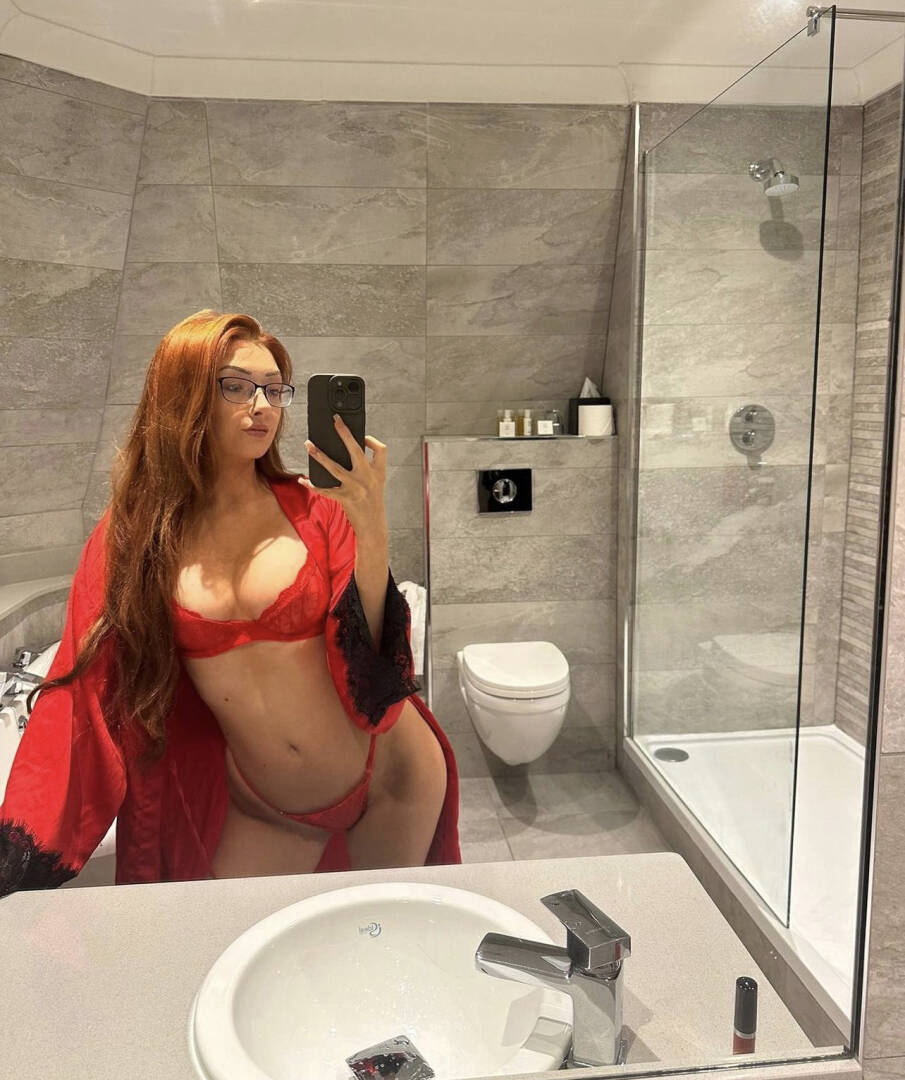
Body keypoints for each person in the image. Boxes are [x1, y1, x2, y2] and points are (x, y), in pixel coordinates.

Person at [0, 309, 460, 897]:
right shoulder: (134, 541)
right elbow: (80, 693)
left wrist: (370, 524)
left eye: (273, 389)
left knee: (378, 934)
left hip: (391, 774)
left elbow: (374, 661)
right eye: (237, 386)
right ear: (183, 394)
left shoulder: (314, 512)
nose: (262, 405)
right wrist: (16, 860)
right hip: (267, 808)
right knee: (225, 941)